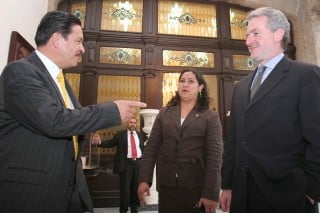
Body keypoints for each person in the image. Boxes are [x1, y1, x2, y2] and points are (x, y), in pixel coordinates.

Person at [0, 11, 146, 213]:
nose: (83, 49)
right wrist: (112, 111)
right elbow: (54, 121)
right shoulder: (20, 72)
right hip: (31, 196)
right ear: (56, 39)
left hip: (68, 192)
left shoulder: (62, 82)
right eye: (78, 41)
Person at [220, 7, 320, 213]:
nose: (248, 41)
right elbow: (234, 141)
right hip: (243, 196)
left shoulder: (306, 76)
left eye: (255, 33)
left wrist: (311, 191)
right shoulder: (240, 87)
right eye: (247, 35)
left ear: (278, 34)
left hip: (288, 197)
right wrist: (228, 185)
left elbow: (317, 139)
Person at [138, 69, 223, 213]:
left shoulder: (210, 116)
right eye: (182, 81)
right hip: (167, 186)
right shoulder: (165, 113)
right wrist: (144, 179)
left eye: (191, 81)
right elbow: (151, 148)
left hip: (196, 187)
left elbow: (215, 157)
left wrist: (210, 193)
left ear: (200, 87)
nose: (185, 84)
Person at [92, 117, 147, 213]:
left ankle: (135, 210)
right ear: (127, 123)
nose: (132, 124)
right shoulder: (120, 134)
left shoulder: (141, 135)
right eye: (130, 122)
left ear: (136, 124)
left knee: (136, 190)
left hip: (138, 164)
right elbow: (110, 143)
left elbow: (147, 146)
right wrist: (99, 142)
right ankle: (123, 210)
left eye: (134, 123)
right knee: (125, 190)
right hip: (126, 165)